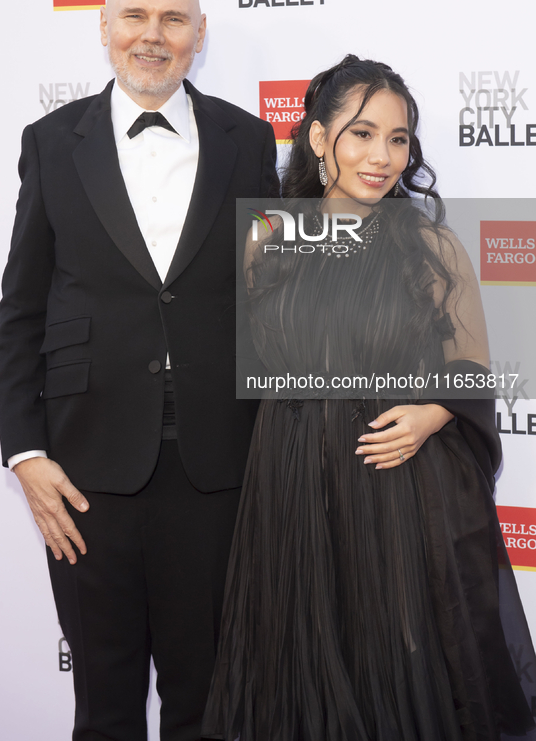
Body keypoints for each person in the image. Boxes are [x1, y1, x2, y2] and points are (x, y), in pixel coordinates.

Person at [202, 55, 536, 739]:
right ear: (319, 139)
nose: (381, 155)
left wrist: (430, 413)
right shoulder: (265, 238)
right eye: (361, 133)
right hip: (290, 484)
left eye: (397, 137)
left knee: (398, 673)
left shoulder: (429, 244)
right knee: (299, 669)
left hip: (396, 487)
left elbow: (470, 365)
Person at [0, 0, 278, 741]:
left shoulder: (248, 140)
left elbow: (281, 298)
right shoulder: (51, 142)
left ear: (199, 36)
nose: (152, 36)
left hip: (218, 473)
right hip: (85, 478)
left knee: (208, 705)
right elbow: (20, 310)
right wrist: (25, 452)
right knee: (105, 708)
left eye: (173, 20)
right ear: (104, 28)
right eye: (134, 17)